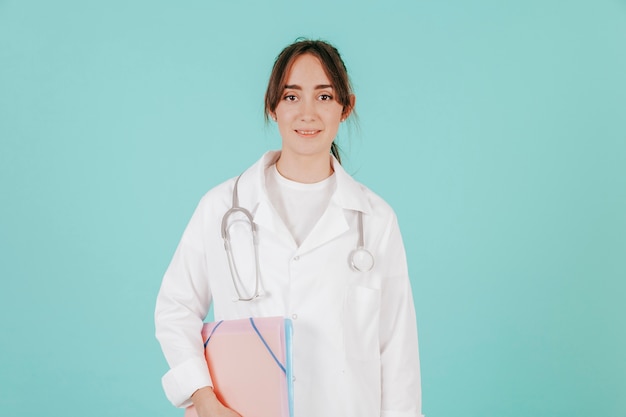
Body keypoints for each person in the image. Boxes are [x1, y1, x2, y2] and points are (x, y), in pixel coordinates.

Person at [155, 39, 423, 417]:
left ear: (347, 108)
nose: (307, 113)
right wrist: (204, 400)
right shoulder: (220, 207)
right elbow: (174, 309)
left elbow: (397, 352)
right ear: (272, 107)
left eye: (325, 97)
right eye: (292, 97)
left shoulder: (376, 220)